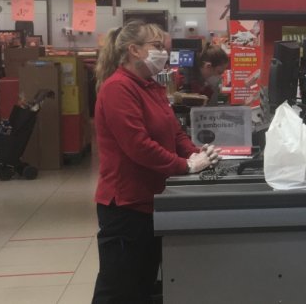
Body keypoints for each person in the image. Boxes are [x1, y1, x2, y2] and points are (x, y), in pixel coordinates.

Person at [92, 20, 220, 304]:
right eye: (157, 47)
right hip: (126, 206)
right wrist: (184, 166)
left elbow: (174, 132)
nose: (163, 52)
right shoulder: (118, 89)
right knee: (117, 290)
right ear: (134, 50)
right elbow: (138, 146)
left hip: (151, 201)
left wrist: (195, 153)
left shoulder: (151, 86)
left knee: (141, 286)